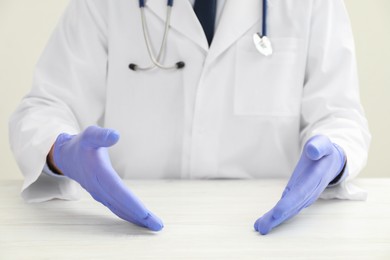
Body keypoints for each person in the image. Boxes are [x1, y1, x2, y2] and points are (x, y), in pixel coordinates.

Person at [9, 0, 370, 235]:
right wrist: (60, 151)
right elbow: (44, 107)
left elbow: (340, 115)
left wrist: (334, 156)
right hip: (129, 233)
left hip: (267, 231)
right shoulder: (102, 5)